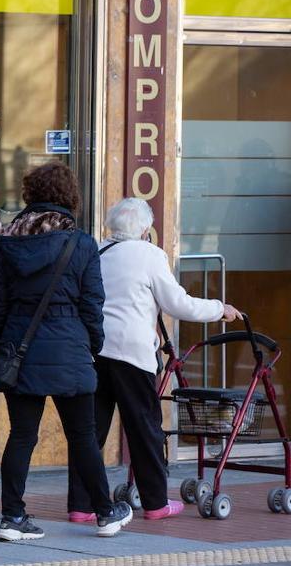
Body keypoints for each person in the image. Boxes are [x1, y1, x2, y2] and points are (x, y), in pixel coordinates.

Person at [65, 197, 242, 522]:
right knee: (144, 428)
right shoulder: (150, 255)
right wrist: (220, 308)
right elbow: (178, 304)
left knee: (89, 432)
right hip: (132, 354)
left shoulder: (96, 251)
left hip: (94, 352)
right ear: (146, 229)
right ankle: (155, 502)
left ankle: (81, 505)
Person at [0, 163, 133, 541]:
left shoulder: (6, 241)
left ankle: (12, 518)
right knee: (84, 435)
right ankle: (105, 513)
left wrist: (5, 344)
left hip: (20, 348)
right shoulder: (81, 243)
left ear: (30, 194)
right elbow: (92, 303)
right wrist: (91, 346)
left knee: (21, 436)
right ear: (71, 197)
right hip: (70, 347)